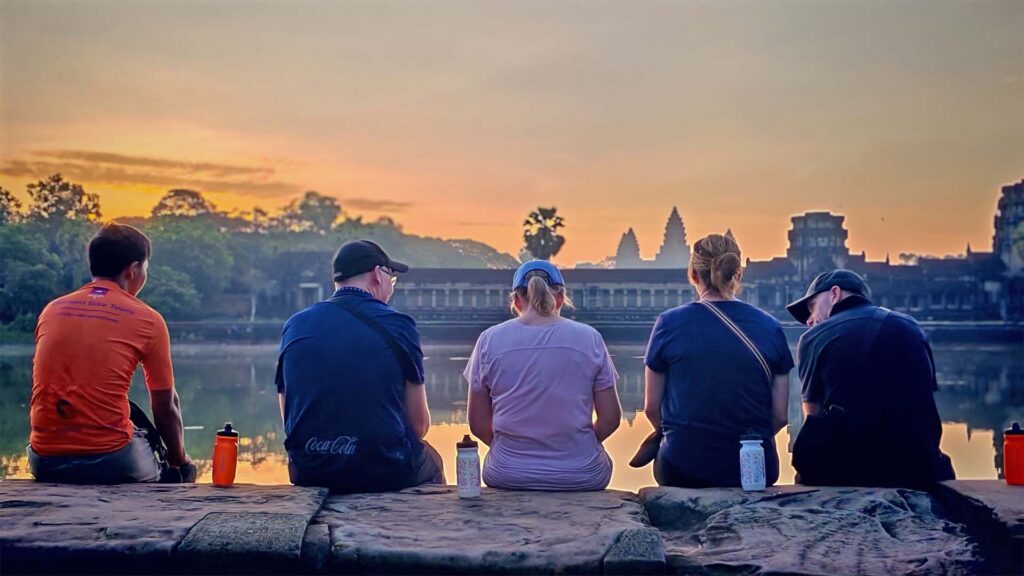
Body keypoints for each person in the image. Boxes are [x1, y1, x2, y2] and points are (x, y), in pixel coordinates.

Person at [28, 223, 194, 484]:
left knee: (131, 411)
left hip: (43, 460)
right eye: (145, 268)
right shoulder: (148, 319)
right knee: (169, 462)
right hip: (112, 460)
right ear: (133, 270)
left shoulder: (52, 310)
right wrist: (179, 462)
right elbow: (166, 406)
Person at [276, 239, 444, 493]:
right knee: (432, 460)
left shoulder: (295, 325)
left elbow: (288, 413)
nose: (391, 286)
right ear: (377, 274)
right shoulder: (398, 324)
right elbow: (418, 426)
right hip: (383, 467)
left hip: (309, 469)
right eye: (392, 278)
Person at [643, 234, 792, 488]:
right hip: (753, 471)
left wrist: (674, 435)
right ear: (738, 273)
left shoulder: (669, 324)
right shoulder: (770, 326)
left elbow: (651, 408)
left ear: (693, 275)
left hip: (682, 467)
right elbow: (779, 417)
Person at [786, 269, 955, 487]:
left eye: (812, 307)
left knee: (806, 455)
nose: (809, 321)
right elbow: (925, 400)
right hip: (916, 465)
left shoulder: (815, 336)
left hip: (847, 470)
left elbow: (813, 415)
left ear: (834, 294)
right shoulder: (911, 326)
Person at [465, 260, 622, 491]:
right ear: (560, 298)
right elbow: (611, 419)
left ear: (516, 301)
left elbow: (477, 424)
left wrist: (508, 450)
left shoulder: (489, 339)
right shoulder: (589, 338)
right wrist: (582, 445)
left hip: (507, 473)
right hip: (581, 474)